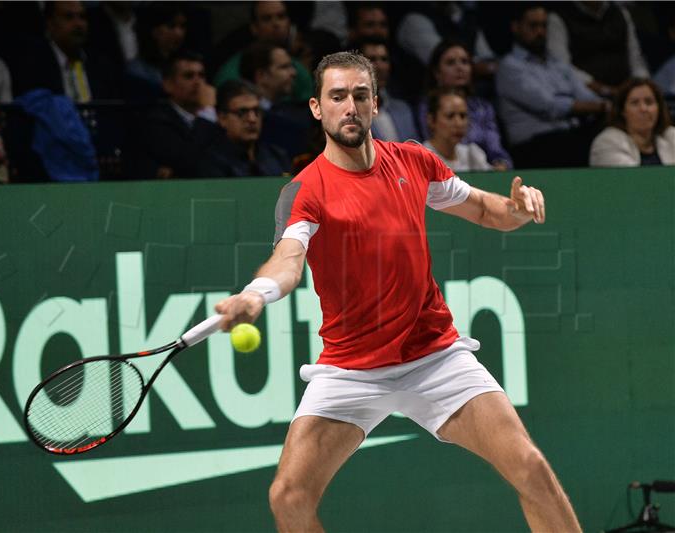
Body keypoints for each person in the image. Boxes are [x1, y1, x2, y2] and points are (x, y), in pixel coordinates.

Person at [214, 50, 581, 532]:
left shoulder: (413, 161)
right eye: (337, 96)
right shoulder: (305, 191)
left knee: (531, 469)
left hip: (434, 356)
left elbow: (489, 212)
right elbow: (288, 260)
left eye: (360, 96)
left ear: (374, 104)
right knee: (288, 496)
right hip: (351, 370)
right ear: (316, 108)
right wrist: (257, 294)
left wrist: (517, 206)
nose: (350, 106)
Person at [495, 3, 608, 168]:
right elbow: (549, 106)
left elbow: (585, 95)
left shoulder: (557, 63)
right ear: (516, 27)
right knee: (577, 143)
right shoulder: (509, 67)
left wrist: (604, 106)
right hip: (532, 146)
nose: (540, 32)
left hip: (570, 136)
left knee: (606, 135)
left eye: (543, 26)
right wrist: (602, 107)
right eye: (533, 25)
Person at [124, 51, 219, 180]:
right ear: (168, 85)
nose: (198, 82)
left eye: (201, 76)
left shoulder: (220, 116)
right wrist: (207, 113)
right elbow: (187, 163)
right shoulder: (155, 122)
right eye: (188, 76)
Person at [419, 39, 512, 169]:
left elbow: (495, 149)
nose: (460, 67)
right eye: (451, 63)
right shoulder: (426, 107)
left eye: (465, 62)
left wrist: (501, 164)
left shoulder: (482, 108)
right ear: (437, 73)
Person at [11, 1, 118, 101]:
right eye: (69, 17)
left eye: (82, 17)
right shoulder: (33, 65)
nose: (78, 24)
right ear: (50, 24)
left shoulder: (103, 66)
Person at [214, 1, 313, 103]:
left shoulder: (298, 69)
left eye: (281, 16)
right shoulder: (231, 72)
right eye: (267, 18)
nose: (276, 23)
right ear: (254, 28)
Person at [547, 2, 649, 98]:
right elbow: (561, 66)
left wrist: (639, 84)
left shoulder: (620, 13)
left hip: (628, 92)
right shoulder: (559, 17)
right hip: (587, 98)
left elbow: (636, 59)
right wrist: (603, 89)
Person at [200, 80, 291, 178]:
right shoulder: (211, 163)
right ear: (222, 118)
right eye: (242, 112)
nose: (252, 119)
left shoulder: (277, 156)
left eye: (256, 111)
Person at [590, 78, 675, 166]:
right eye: (634, 103)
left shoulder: (671, 136)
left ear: (659, 108)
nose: (643, 109)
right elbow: (632, 178)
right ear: (622, 111)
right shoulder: (607, 142)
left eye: (649, 102)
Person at [358, 37, 419, 143]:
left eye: (384, 59)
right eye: (372, 59)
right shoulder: (351, 113)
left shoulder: (403, 109)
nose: (380, 66)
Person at [423, 88, 492, 172]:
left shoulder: (472, 154)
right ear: (431, 120)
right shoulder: (421, 157)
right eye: (450, 116)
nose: (459, 123)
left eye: (463, 116)